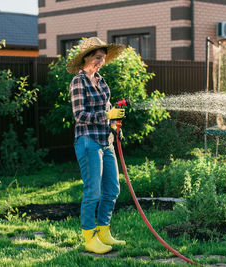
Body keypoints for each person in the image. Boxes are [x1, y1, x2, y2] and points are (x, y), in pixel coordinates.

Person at [66, 37, 125, 254]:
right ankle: (89, 237)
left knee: (112, 190)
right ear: (86, 58)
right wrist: (106, 115)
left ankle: (104, 231)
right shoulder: (78, 82)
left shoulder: (101, 82)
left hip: (106, 141)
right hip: (88, 141)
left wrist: (114, 123)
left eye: (103, 58)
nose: (101, 62)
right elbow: (80, 115)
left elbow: (108, 111)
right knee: (93, 192)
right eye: (98, 58)